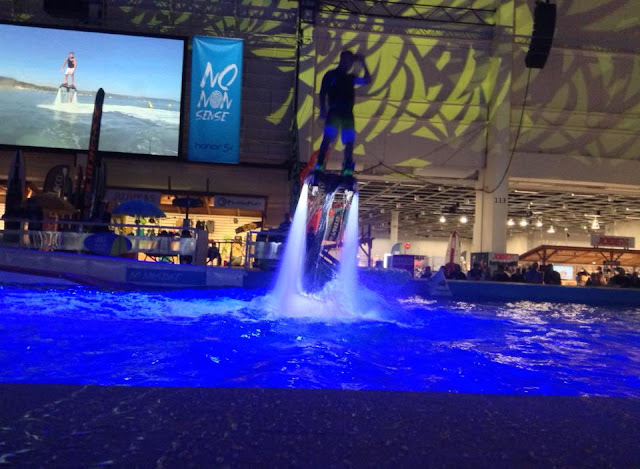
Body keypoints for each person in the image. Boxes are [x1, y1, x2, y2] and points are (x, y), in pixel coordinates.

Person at [315, 50, 371, 176]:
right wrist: (323, 109)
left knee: (349, 141)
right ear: (342, 60)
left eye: (351, 62)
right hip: (334, 111)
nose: (350, 64)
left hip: (347, 113)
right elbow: (323, 92)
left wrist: (363, 63)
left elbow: (367, 80)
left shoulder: (350, 77)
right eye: (348, 61)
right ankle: (319, 164)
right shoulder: (331, 74)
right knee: (328, 138)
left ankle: (347, 167)